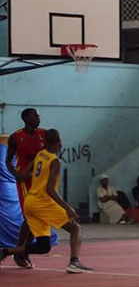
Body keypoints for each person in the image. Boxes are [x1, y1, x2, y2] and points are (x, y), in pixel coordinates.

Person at [1, 129, 92, 273]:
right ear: (59, 143)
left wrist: (38, 176)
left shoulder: (40, 154)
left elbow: (23, 174)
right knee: (75, 228)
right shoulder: (55, 161)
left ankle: (5, 252)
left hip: (30, 202)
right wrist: (68, 208)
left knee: (44, 246)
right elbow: (50, 189)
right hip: (42, 202)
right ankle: (74, 262)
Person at [4, 108, 46, 269]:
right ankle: (20, 251)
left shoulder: (44, 134)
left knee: (37, 217)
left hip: (41, 181)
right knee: (30, 217)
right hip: (26, 182)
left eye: (39, 116)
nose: (38, 118)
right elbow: (8, 161)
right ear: (26, 118)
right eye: (35, 116)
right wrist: (16, 174)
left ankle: (23, 251)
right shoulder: (15, 137)